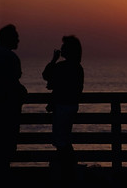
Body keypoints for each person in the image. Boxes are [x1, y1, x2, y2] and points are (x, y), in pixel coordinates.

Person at [42, 35, 84, 184]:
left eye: (64, 47)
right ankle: (70, 169)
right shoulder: (78, 68)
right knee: (65, 139)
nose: (61, 49)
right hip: (72, 107)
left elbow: (46, 76)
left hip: (62, 107)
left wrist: (53, 59)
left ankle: (68, 171)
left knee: (61, 141)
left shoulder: (62, 66)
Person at [0, 24, 28, 181]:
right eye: (15, 37)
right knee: (4, 153)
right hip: (7, 115)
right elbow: (14, 81)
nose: (18, 39)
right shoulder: (10, 57)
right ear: (7, 39)